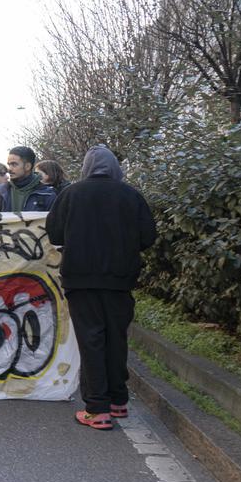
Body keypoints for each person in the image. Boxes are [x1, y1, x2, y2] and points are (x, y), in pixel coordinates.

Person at [46, 145, 157, 431]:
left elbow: (55, 233)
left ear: (85, 167)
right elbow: (148, 236)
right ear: (115, 168)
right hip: (120, 279)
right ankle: (118, 401)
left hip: (80, 278)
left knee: (91, 339)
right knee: (116, 337)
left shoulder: (71, 194)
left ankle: (97, 409)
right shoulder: (131, 195)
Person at [0, 146, 57, 213]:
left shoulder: (47, 195)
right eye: (9, 165)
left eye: (14, 164)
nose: (9, 169)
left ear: (27, 166)